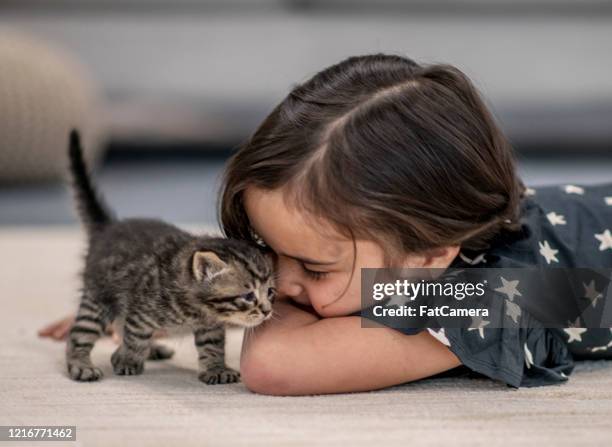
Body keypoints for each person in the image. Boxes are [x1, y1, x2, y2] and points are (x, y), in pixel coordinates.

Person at [40, 53, 612, 395]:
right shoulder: (418, 246)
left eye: (313, 266)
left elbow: (274, 365)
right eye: (267, 251)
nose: (281, 281)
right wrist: (164, 302)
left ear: (432, 255)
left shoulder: (496, 299)